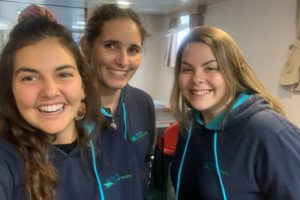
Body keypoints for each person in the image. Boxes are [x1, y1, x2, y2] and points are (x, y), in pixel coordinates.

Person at [0, 6, 144, 200]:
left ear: (83, 84)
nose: (50, 92)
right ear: (11, 90)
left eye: (64, 74)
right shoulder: (8, 159)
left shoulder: (117, 144)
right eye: (30, 78)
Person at [169, 26, 300, 200]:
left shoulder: (268, 131)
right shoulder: (190, 124)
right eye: (187, 69)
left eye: (211, 68)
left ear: (233, 72)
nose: (196, 79)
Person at [80, 4, 155, 197]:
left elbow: (146, 158)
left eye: (133, 50)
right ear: (87, 46)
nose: (123, 60)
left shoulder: (143, 102)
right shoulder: (67, 108)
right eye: (110, 46)